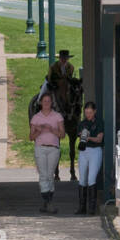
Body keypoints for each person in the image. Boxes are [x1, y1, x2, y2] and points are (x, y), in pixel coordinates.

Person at [48, 49, 82, 181]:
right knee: (44, 92)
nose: (64, 60)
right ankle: (39, 106)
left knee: (75, 92)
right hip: (54, 86)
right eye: (63, 58)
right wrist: (57, 83)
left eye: (66, 58)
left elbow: (69, 78)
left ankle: (75, 113)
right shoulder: (53, 67)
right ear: (60, 58)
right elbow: (51, 78)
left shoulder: (71, 67)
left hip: (66, 87)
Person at [29, 93, 65, 213]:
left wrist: (52, 130)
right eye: (44, 101)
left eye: (48, 101)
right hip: (40, 148)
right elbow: (31, 137)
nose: (46, 103)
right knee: (43, 175)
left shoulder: (57, 116)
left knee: (50, 175)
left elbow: (63, 135)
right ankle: (48, 202)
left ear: (51, 103)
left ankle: (46, 202)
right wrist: (39, 131)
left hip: (53, 148)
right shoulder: (36, 117)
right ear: (40, 103)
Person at [76, 100, 104, 215]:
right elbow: (80, 138)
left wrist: (89, 138)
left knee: (91, 179)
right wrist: (83, 136)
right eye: (86, 112)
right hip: (84, 151)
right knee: (82, 179)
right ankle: (82, 208)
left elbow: (99, 139)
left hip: (95, 151)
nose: (88, 115)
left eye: (90, 112)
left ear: (95, 111)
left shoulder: (99, 123)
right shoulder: (82, 123)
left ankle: (91, 208)